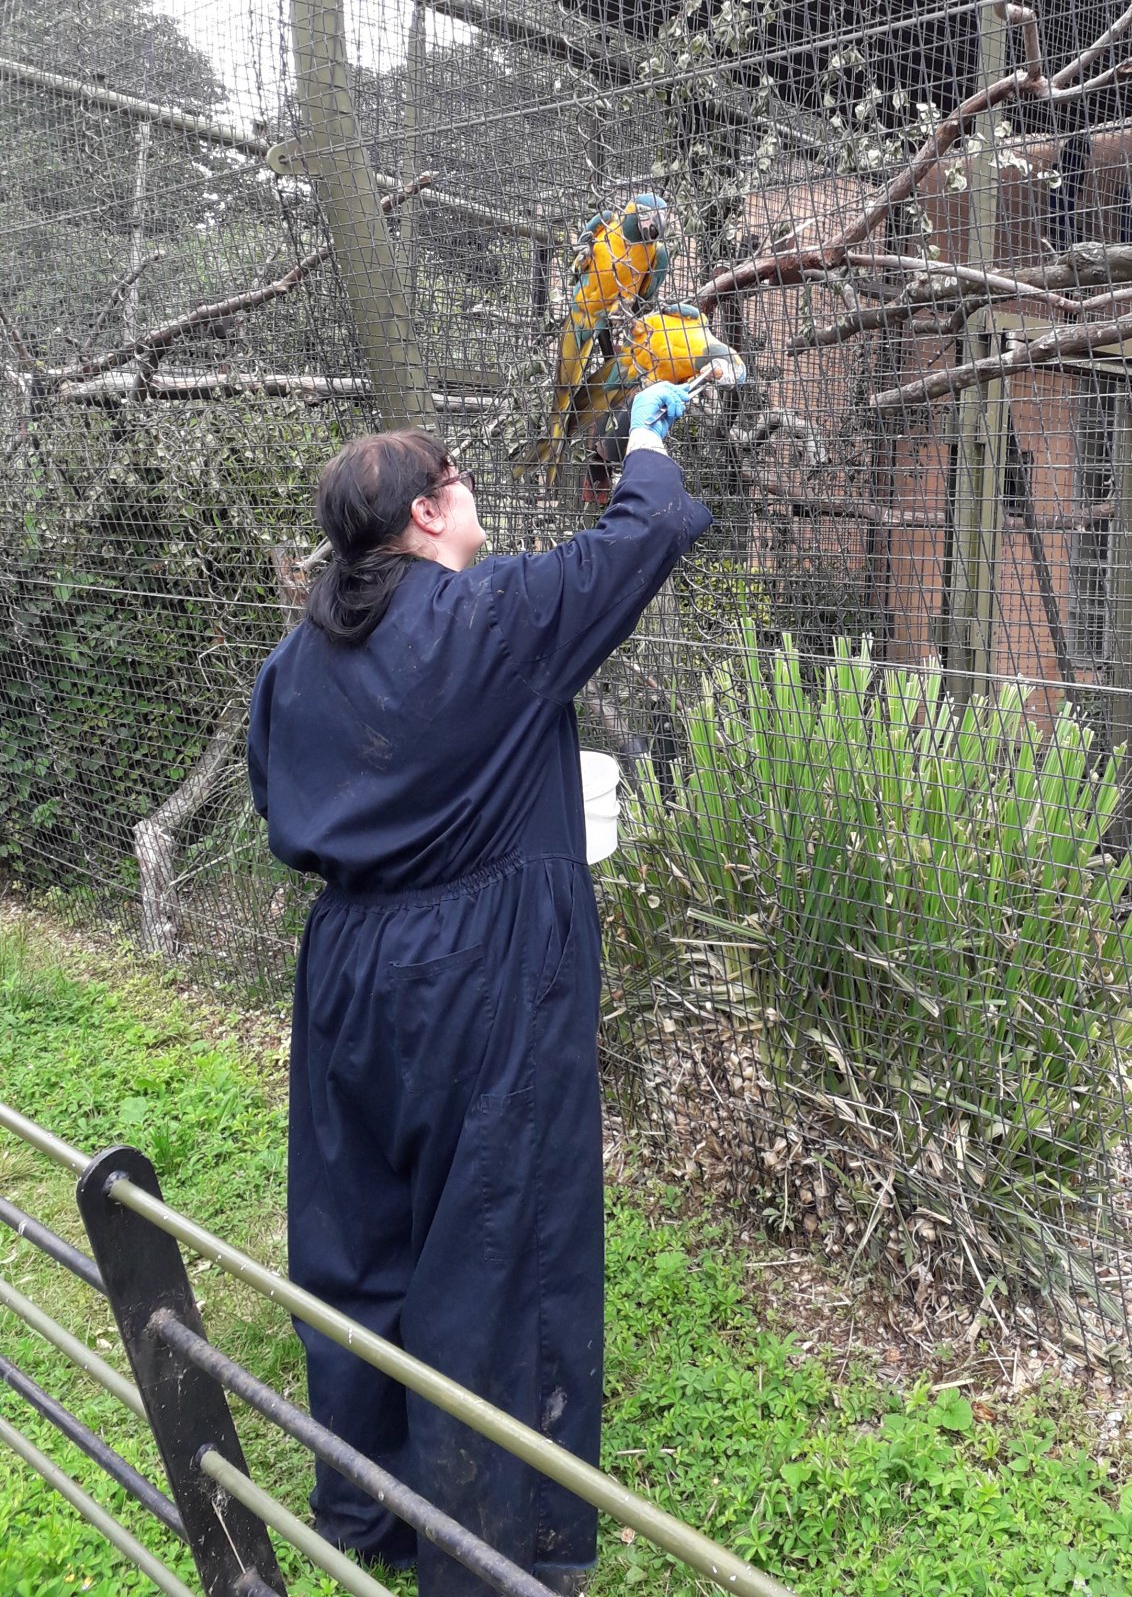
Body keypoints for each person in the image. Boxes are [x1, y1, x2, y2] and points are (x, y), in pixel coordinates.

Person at [248, 383, 711, 1596]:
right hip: (482, 976)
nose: (469, 492)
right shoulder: (492, 619)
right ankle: (500, 1553)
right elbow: (642, 537)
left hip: (348, 971)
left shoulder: (296, 662)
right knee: (499, 1245)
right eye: (454, 479)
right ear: (423, 513)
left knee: (358, 1236)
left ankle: (367, 1506)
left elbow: (279, 799)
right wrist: (647, 439)